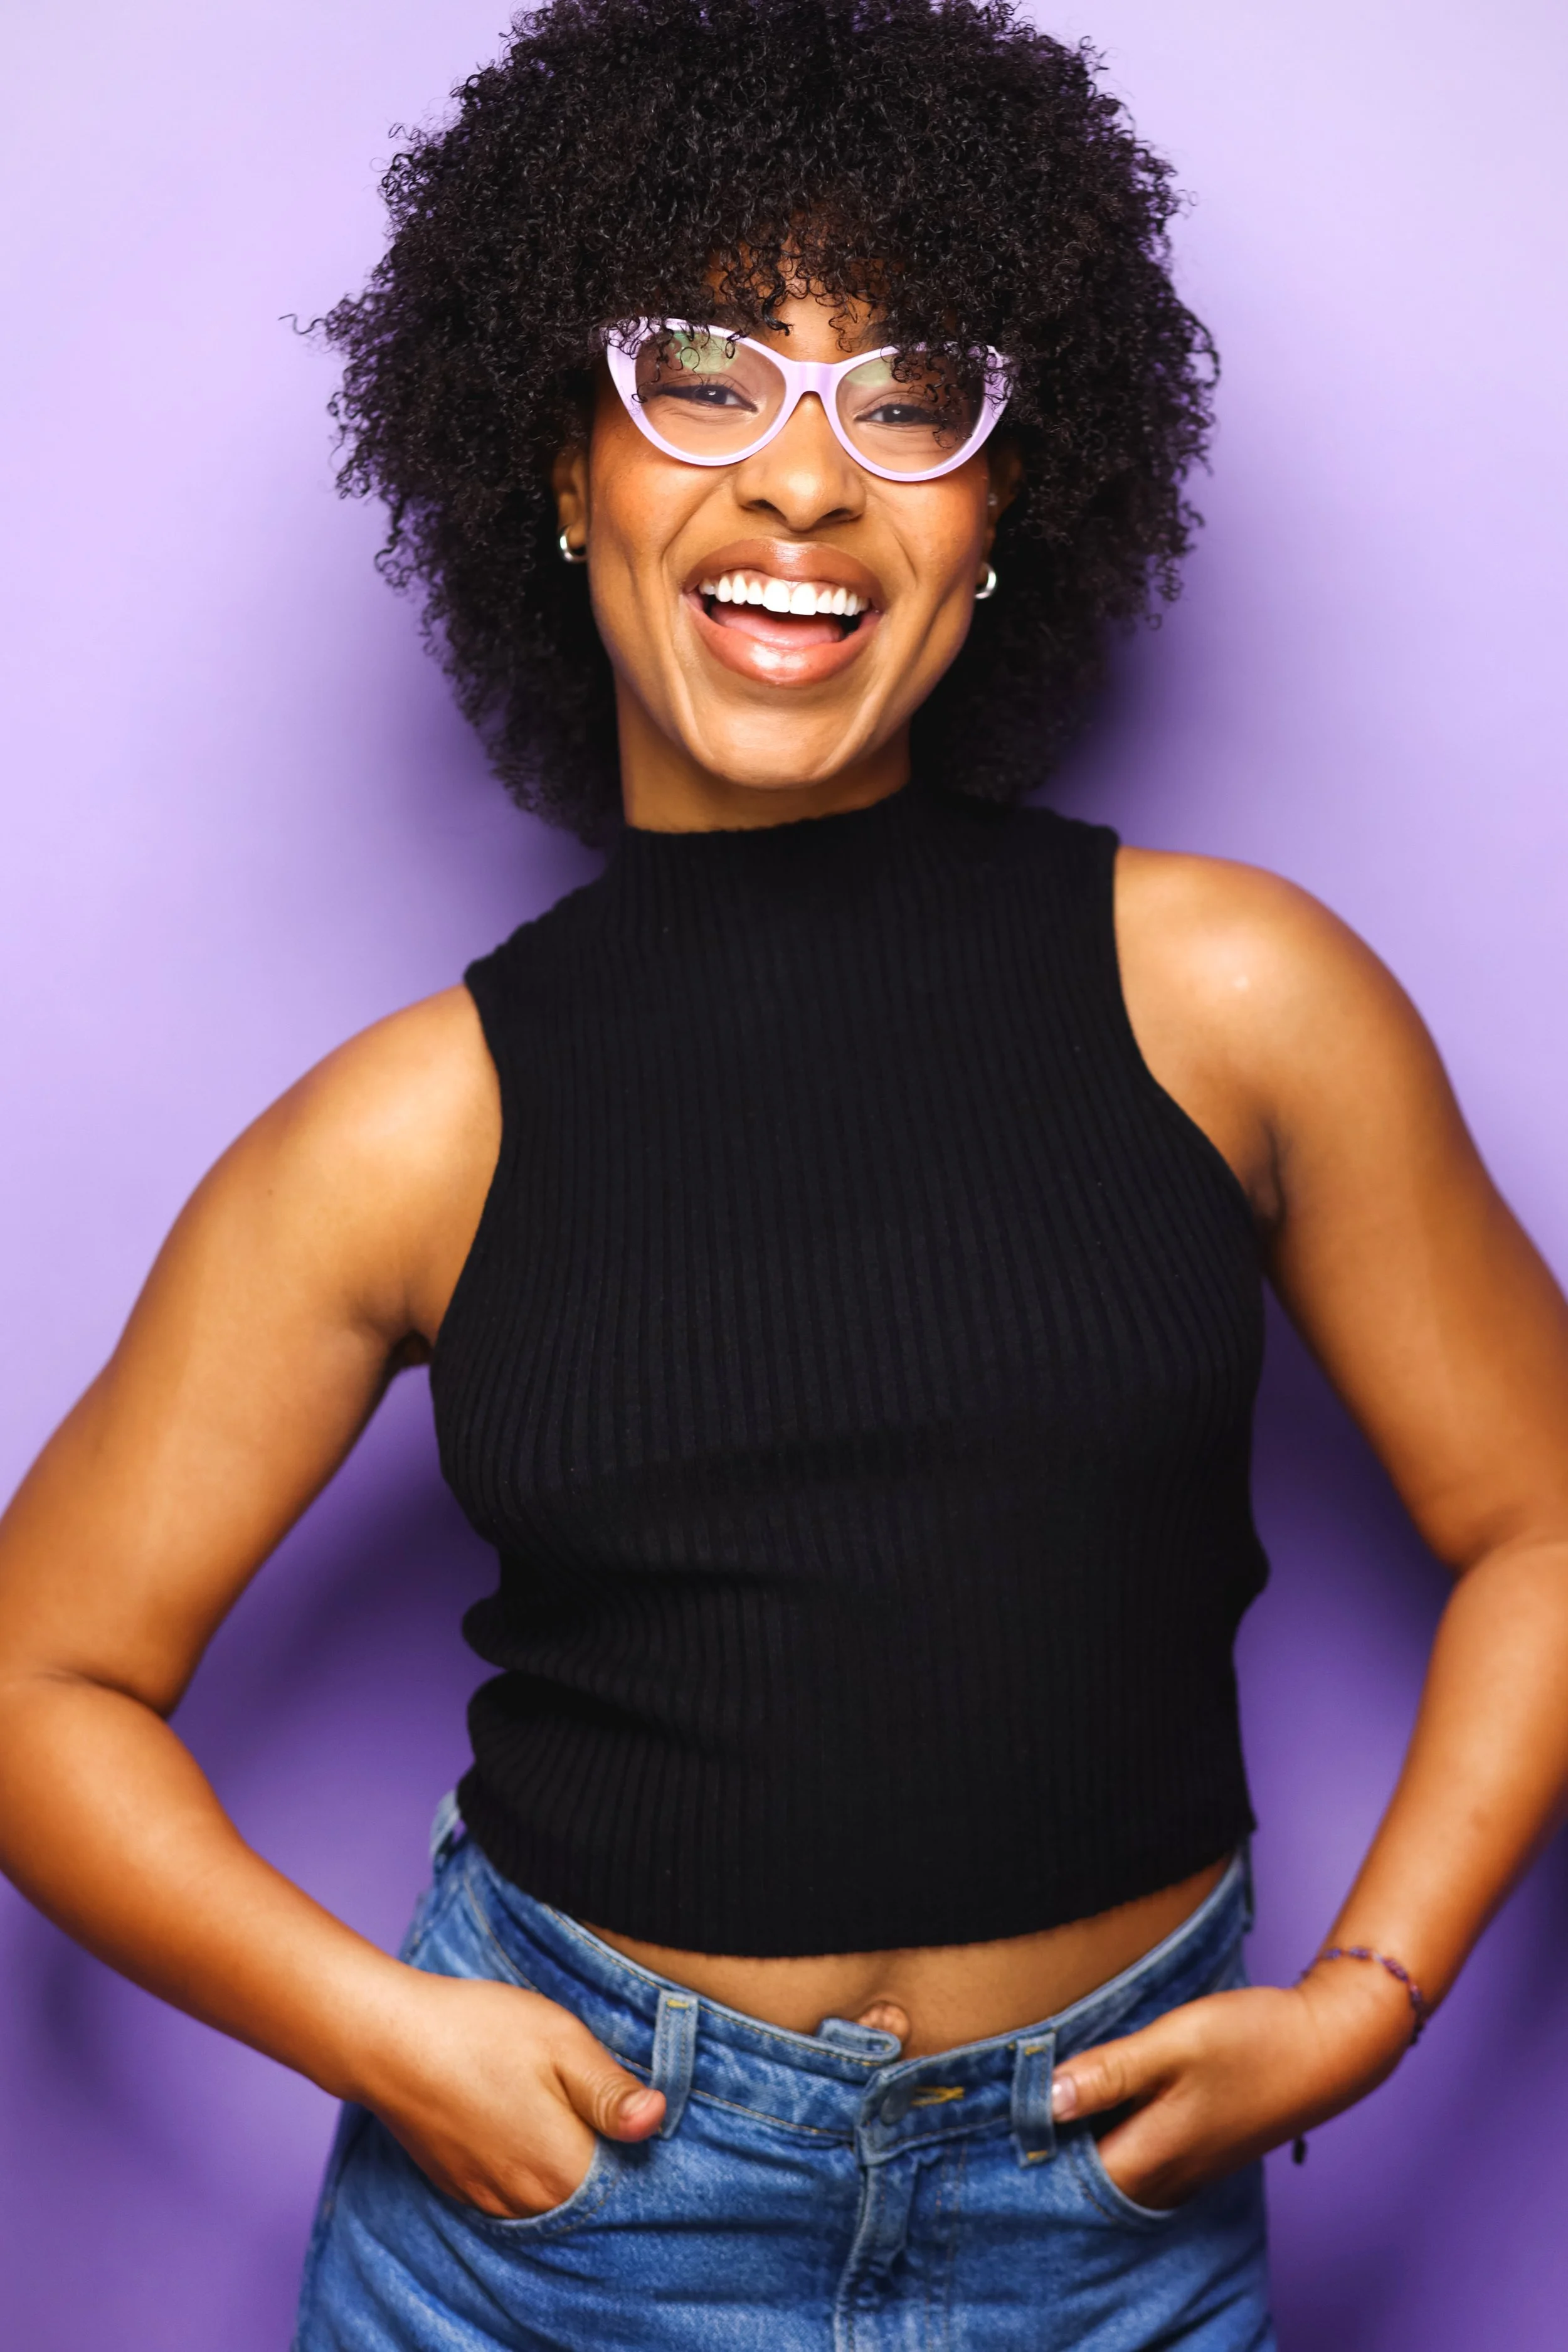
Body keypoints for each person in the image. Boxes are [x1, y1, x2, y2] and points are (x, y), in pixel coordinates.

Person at [2, 1, 1566, 2345]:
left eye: (903, 398)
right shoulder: (411, 1125)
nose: (802, 483)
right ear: (562, 467)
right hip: (555, 2253)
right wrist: (382, 2034)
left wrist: (1368, 1992)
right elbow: (45, 1678)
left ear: (1003, 502)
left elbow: (1541, 1516)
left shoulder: (1239, 995)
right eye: (702, 375)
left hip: (1107, 2246)